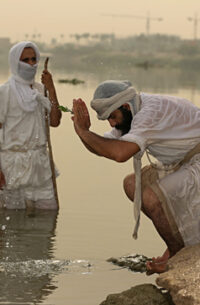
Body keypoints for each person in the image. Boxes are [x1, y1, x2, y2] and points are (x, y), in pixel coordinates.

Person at [72, 79, 200, 274]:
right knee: (132, 184)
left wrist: (83, 131)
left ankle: (176, 253)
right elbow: (103, 147)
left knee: (150, 197)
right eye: (108, 119)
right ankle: (176, 245)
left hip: (196, 161)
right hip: (183, 162)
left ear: (125, 106)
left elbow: (119, 154)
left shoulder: (149, 113)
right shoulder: (133, 110)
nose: (112, 123)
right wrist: (83, 132)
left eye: (113, 117)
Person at [0, 41, 62, 210]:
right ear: (14, 62)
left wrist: (51, 88)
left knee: (47, 214)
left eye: (33, 59)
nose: (30, 64)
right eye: (25, 60)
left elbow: (55, 121)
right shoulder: (4, 92)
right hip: (11, 165)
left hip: (39, 164)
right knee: (12, 220)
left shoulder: (41, 90)